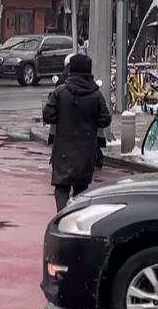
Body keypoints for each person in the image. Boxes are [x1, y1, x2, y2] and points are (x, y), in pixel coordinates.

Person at [43, 52, 112, 209]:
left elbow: (48, 115)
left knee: (61, 188)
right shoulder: (96, 95)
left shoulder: (60, 92)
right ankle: (76, 217)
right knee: (81, 190)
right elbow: (105, 119)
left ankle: (61, 216)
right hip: (86, 149)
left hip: (63, 149)